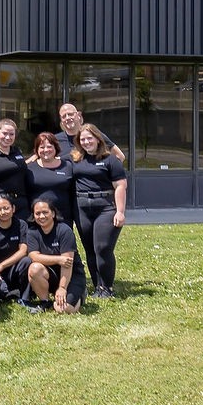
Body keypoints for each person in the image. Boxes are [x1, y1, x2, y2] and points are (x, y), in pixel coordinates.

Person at [71, 122, 128, 297]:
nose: (86, 142)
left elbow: (120, 186)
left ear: (98, 139)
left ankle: (107, 287)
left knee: (102, 248)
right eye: (83, 139)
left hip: (105, 207)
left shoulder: (110, 160)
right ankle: (98, 287)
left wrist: (120, 212)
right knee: (89, 249)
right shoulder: (75, 159)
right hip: (82, 208)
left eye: (90, 138)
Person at [24, 198, 84, 314]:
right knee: (34, 268)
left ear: (53, 213)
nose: (41, 216)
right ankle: (45, 301)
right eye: (37, 213)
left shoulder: (64, 230)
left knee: (63, 309)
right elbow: (34, 256)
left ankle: (80, 295)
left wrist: (62, 288)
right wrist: (58, 259)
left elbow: (67, 263)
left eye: (45, 212)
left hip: (71, 276)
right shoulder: (32, 232)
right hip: (50, 275)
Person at [0, 193, 33, 303]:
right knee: (1, 292)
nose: (3, 212)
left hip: (14, 267)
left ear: (13, 209)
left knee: (27, 260)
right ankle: (8, 292)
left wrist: (2, 266)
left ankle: (25, 298)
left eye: (6, 208)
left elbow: (23, 251)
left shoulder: (21, 225)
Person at [23, 131, 78, 226]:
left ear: (55, 148)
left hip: (63, 218)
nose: (46, 150)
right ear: (37, 149)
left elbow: (73, 193)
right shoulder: (29, 169)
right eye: (42, 147)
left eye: (49, 146)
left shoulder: (67, 166)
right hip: (37, 219)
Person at [54, 102, 127, 161]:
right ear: (61, 120)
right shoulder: (55, 140)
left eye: (70, 114)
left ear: (78, 115)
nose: (67, 118)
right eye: (64, 116)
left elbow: (120, 156)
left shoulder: (93, 134)